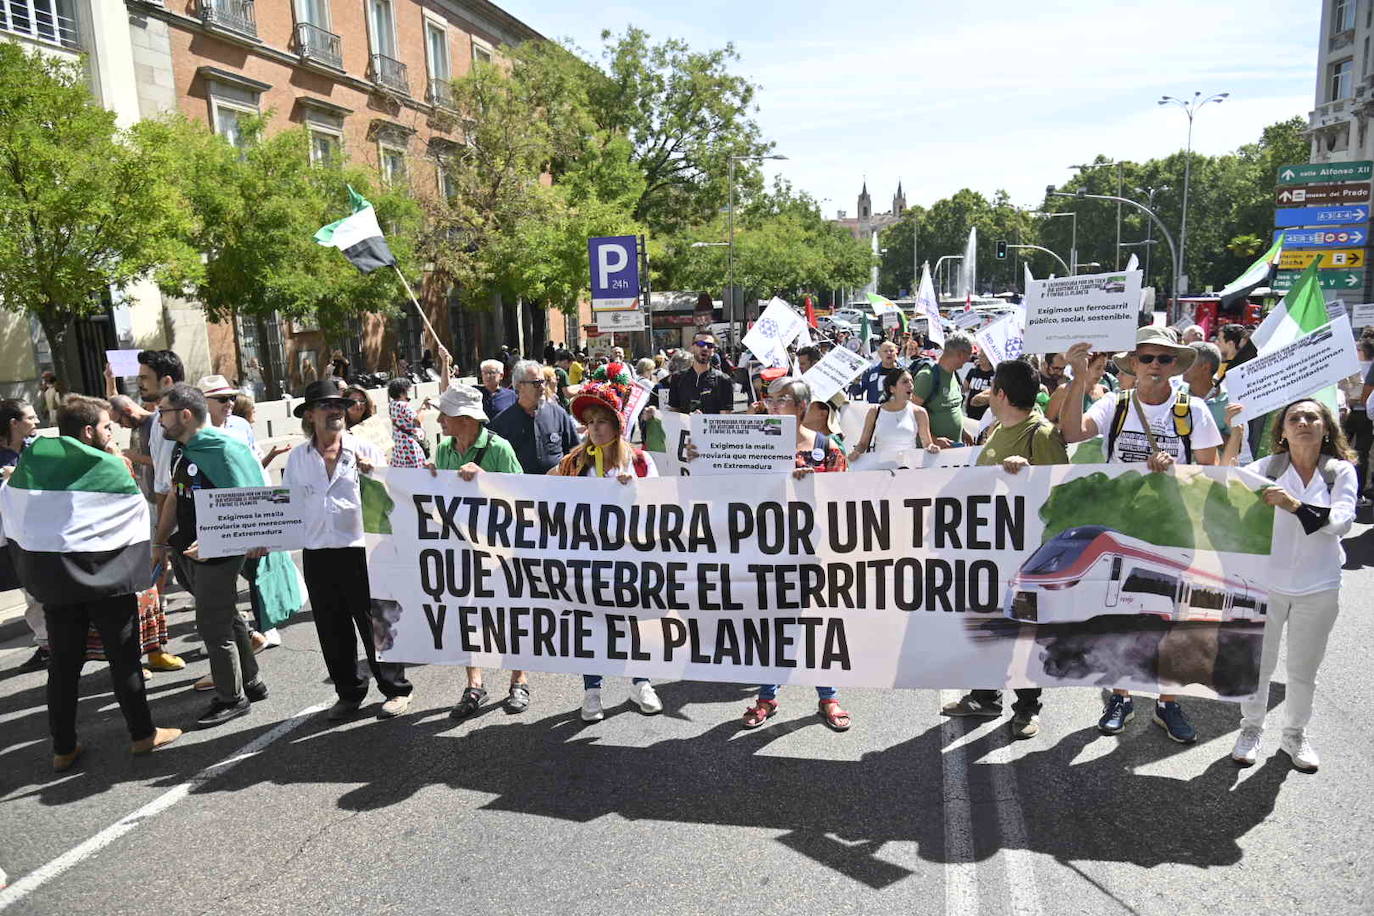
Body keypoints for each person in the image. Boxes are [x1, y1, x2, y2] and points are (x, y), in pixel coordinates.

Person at [1058, 327, 1223, 743]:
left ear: (1175, 366)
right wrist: (1080, 378)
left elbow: (1213, 471)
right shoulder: (1115, 404)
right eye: (1146, 358)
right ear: (1132, 364)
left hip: (1174, 528)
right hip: (1123, 529)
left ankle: (1167, 704)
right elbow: (1072, 432)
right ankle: (1121, 697)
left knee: (1174, 619)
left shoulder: (1194, 411)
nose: (1154, 366)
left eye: (1164, 359)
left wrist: (1177, 471)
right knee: (1122, 614)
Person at [1, 396, 181, 769]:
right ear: (88, 431)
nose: (110, 431)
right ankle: (142, 734)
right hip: (106, 580)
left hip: (58, 584)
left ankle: (63, 747)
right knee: (124, 660)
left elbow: (16, 512)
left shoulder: (34, 464)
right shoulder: (109, 466)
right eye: (105, 426)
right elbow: (132, 511)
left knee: (63, 667)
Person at [1221, 398, 1356, 773]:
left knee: (1302, 670)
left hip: (1320, 586)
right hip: (1268, 584)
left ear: (1326, 427)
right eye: (1294, 418)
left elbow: (1341, 523)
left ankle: (1295, 735)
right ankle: (1250, 730)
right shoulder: (1268, 468)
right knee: (1259, 665)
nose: (1303, 423)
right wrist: (1236, 432)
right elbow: (1228, 482)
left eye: (1312, 417)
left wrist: (1295, 505)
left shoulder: (1340, 471)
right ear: (1282, 430)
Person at [153, 384, 297, 727]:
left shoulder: (223, 449)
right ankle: (251, 682)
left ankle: (231, 698)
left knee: (212, 624)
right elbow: (176, 495)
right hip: (190, 549)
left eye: (163, 413)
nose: (159, 420)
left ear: (185, 415)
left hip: (219, 552)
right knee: (229, 616)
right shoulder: (181, 448)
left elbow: (250, 500)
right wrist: (158, 543)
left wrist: (214, 541)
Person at [941, 360, 1069, 738]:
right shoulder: (997, 429)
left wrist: (1026, 476)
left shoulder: (1040, 434)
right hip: (993, 552)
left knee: (1025, 630)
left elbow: (1060, 494)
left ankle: (1028, 707)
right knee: (991, 626)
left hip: (1029, 555)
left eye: (992, 388)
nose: (987, 393)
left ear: (1001, 394)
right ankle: (984, 696)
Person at [283, 380, 413, 721]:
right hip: (319, 553)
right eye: (326, 406)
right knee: (331, 627)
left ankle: (396, 690)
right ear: (310, 415)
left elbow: (392, 498)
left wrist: (376, 475)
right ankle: (349, 692)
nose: (335, 411)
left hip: (362, 551)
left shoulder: (364, 449)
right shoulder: (298, 457)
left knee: (377, 623)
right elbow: (286, 508)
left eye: (339, 406)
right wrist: (260, 541)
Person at [735, 377, 851, 731]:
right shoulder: (751, 446)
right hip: (768, 553)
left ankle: (828, 696)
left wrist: (811, 489)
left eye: (781, 400)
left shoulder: (827, 449)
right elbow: (722, 483)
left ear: (802, 407)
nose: (772, 406)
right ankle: (767, 697)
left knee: (816, 625)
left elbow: (846, 503)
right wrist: (699, 456)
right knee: (771, 625)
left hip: (812, 554)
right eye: (770, 400)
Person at [551, 381, 662, 721]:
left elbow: (662, 508)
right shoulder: (573, 462)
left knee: (632, 622)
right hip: (587, 559)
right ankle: (593, 690)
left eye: (601, 421)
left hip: (631, 558)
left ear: (616, 425)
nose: (594, 428)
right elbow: (539, 491)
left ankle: (640, 682)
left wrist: (637, 493)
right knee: (592, 624)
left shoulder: (639, 462)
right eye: (590, 421)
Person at [425, 385, 531, 719]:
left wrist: (485, 479)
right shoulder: (444, 448)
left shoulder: (499, 449)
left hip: (501, 548)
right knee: (466, 614)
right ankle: (474, 684)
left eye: (446, 415)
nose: (440, 420)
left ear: (467, 419)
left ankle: (519, 680)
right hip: (461, 546)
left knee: (511, 615)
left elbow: (522, 497)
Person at [1, 398, 49, 672]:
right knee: (29, 590)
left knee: (41, 589)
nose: (37, 422)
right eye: (31, 418)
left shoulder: (40, 450)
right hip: (12, 536)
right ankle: (47, 644)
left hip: (43, 532)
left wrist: (17, 475)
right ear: (14, 423)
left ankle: (53, 643)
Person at [488, 360, 580, 475]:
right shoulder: (502, 422)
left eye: (544, 382)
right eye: (537, 383)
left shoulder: (558, 414)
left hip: (556, 488)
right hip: (519, 489)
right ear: (519, 386)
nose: (542, 388)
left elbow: (575, 451)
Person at [847, 367, 940, 467]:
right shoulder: (875, 411)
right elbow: (863, 444)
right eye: (905, 382)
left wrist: (932, 447)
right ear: (892, 389)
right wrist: (856, 452)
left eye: (911, 382)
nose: (911, 385)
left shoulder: (919, 412)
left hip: (909, 469)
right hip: (880, 470)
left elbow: (927, 443)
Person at [912, 332, 972, 446]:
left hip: (952, 452)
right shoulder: (927, 376)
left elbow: (952, 409)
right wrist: (934, 440)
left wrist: (962, 431)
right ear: (960, 354)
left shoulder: (954, 374)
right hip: (931, 455)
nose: (970, 359)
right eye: (969, 354)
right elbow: (910, 415)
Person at [659, 332, 734, 414]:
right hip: (685, 426)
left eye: (709, 346)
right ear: (692, 348)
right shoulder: (678, 378)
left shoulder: (723, 380)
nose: (705, 348)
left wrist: (702, 420)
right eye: (700, 344)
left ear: (713, 351)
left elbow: (724, 419)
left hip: (709, 426)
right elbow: (674, 413)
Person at [1342, 338, 1374, 500]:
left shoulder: (1354, 367)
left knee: (1352, 451)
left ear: (1363, 352)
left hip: (1358, 414)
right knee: (1359, 452)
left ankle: (1354, 488)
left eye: (1357, 349)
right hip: (1360, 415)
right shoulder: (1352, 366)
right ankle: (1358, 488)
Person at [388, 377, 429, 468]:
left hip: (398, 444)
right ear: (402, 392)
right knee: (415, 472)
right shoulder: (403, 405)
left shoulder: (392, 404)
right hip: (408, 444)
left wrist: (422, 406)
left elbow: (409, 416)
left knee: (402, 472)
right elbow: (417, 421)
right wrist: (424, 409)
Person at [963, 349, 997, 423]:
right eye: (979, 355)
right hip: (971, 412)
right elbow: (964, 388)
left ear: (989, 358)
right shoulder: (973, 371)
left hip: (987, 415)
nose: (980, 358)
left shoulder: (994, 375)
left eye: (983, 356)